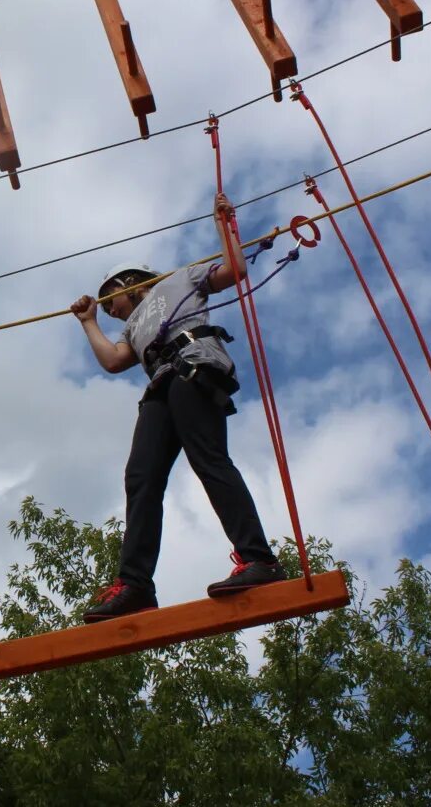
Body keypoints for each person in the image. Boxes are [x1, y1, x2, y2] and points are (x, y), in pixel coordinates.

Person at [69, 193, 286, 622]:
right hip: (162, 385)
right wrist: (89, 322)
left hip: (193, 366)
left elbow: (236, 269)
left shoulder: (180, 280)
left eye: (111, 302)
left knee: (208, 458)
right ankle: (135, 585)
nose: (112, 311)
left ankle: (259, 559)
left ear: (128, 285)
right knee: (141, 478)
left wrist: (225, 226)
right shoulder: (132, 328)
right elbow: (114, 361)